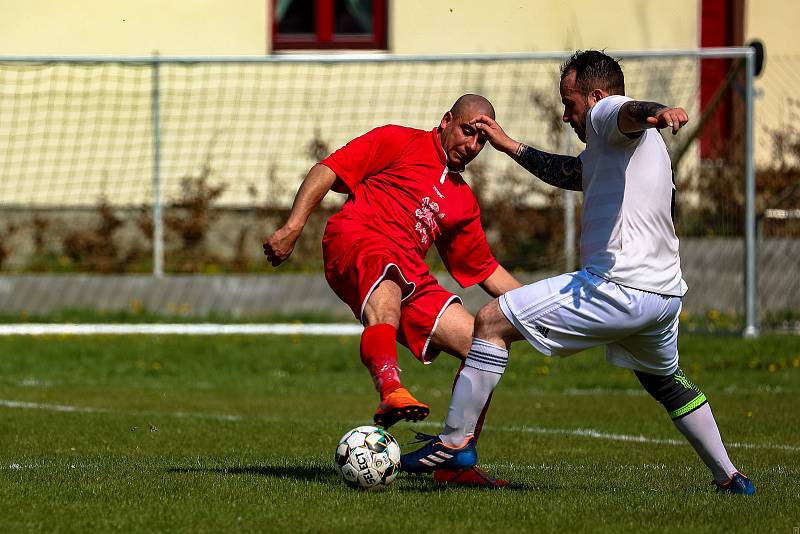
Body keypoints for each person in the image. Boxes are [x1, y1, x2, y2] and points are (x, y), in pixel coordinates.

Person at [400, 51, 756, 495]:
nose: (566, 114)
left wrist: (656, 112)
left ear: (596, 95)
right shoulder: (617, 150)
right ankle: (731, 477)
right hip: (663, 296)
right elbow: (568, 172)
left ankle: (454, 443)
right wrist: (509, 144)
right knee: (665, 382)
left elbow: (629, 110)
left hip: (618, 286)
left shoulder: (609, 115)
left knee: (490, 321)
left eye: (569, 103)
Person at [263, 94, 521, 487]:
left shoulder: (462, 200)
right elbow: (328, 170)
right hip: (358, 239)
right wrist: (293, 226)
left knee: (483, 346)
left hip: (411, 271)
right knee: (389, 279)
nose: (472, 146)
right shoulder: (397, 140)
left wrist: (546, 306)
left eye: (481, 141)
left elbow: (485, 269)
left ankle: (454, 459)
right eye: (468, 131)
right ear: (447, 120)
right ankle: (391, 388)